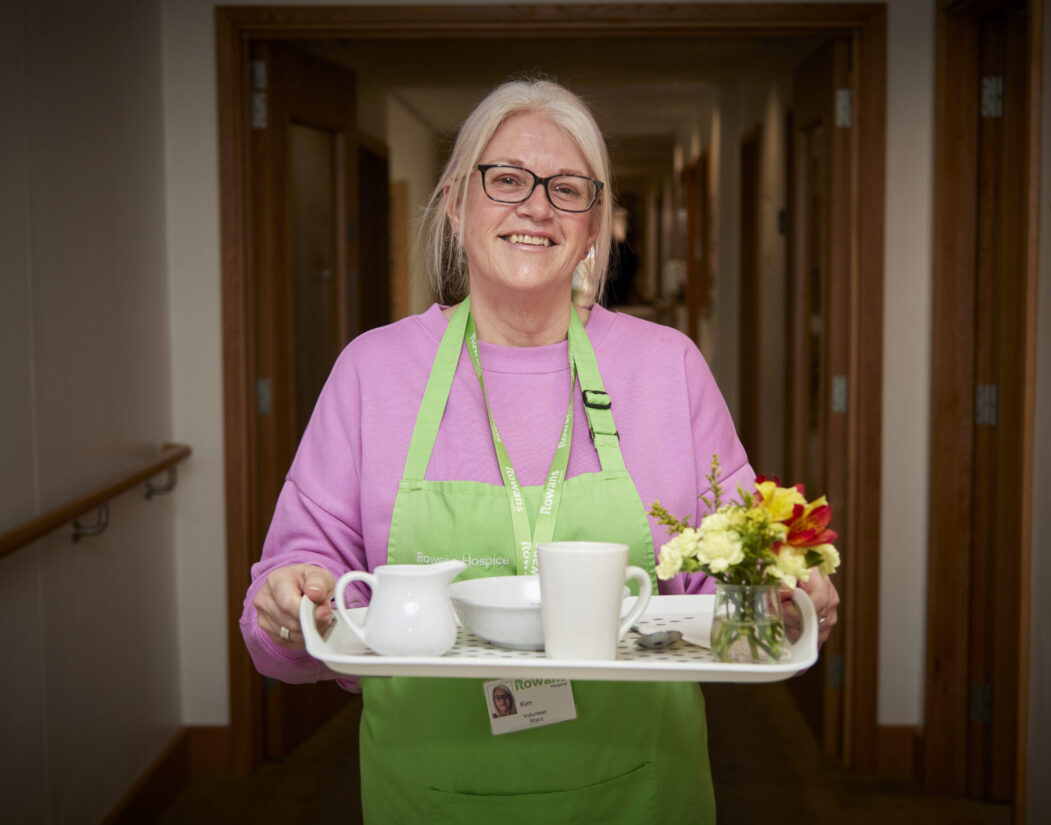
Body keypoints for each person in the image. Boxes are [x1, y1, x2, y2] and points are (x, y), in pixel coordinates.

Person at [241, 76, 839, 824]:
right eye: (508, 179)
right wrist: (292, 603)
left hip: (641, 790)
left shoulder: (666, 366)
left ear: (595, 227)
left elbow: (734, 575)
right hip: (429, 796)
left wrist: (785, 600)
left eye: (567, 188)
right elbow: (291, 616)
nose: (536, 205)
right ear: (457, 205)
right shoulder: (374, 370)